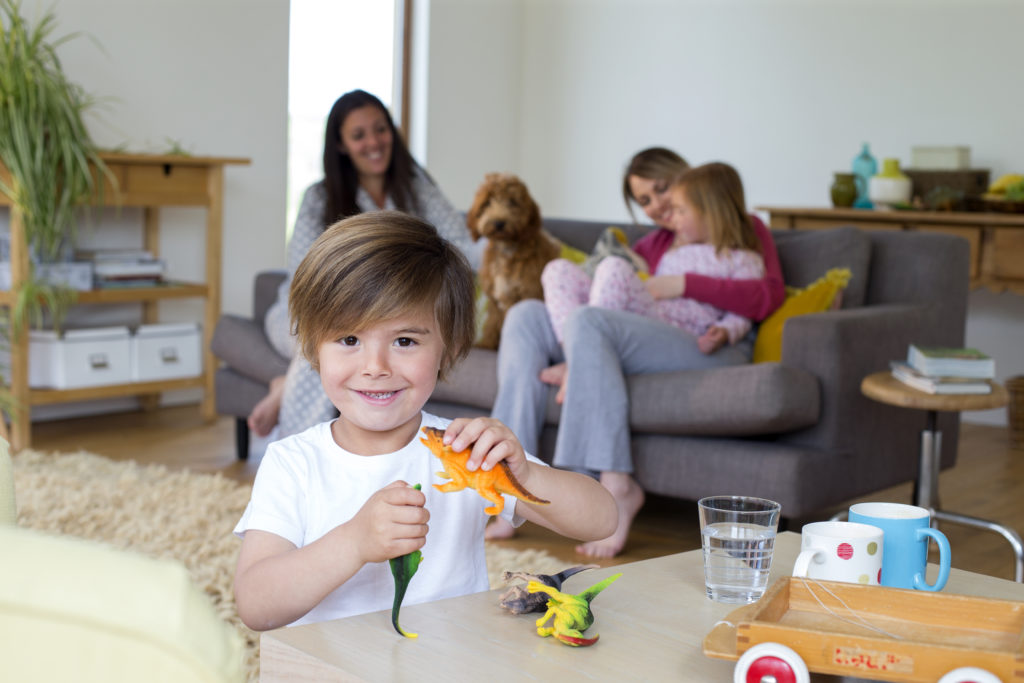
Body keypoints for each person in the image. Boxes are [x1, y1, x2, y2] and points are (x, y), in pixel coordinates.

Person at [232, 212, 616, 630]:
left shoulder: (461, 451)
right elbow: (255, 604)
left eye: (404, 341)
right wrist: (354, 542)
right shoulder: (293, 462)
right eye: (349, 340)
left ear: (447, 351)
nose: (375, 366)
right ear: (312, 347)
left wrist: (524, 476)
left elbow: (601, 521)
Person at [488, 148, 786, 557]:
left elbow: (767, 295)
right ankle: (505, 485)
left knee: (591, 321)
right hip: (639, 331)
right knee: (524, 314)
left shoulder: (740, 228)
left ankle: (609, 486)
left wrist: (681, 283)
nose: (659, 206)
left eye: (663, 191)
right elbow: (611, 287)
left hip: (709, 345)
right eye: (645, 200)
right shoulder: (656, 244)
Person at [247, 89, 482, 440]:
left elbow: (459, 248)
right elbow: (304, 274)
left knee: (349, 343)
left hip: (390, 311)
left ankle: (285, 386)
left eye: (380, 129)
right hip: (309, 310)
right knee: (333, 340)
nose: (373, 142)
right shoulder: (320, 197)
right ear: (340, 145)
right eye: (358, 135)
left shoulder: (418, 190)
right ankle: (303, 459)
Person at [541, 162, 765, 367]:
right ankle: (574, 354)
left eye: (680, 210)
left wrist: (726, 331)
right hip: (650, 314)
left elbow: (746, 309)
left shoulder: (743, 258)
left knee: (614, 267)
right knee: (557, 269)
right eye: (645, 201)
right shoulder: (669, 250)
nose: (666, 212)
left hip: (681, 331)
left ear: (710, 212)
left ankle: (582, 361)